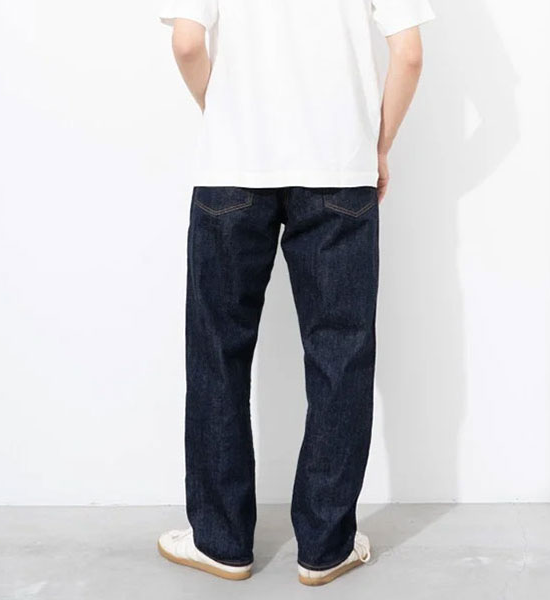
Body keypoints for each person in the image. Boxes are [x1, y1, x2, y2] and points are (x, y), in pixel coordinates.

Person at [157, 0, 434, 586]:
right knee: (341, 357)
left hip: (231, 171)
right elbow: (408, 54)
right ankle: (326, 549)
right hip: (338, 171)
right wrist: (379, 146)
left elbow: (186, 43)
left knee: (217, 353)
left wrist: (221, 112)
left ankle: (220, 542)